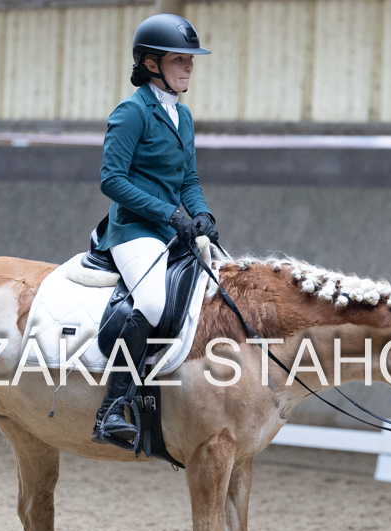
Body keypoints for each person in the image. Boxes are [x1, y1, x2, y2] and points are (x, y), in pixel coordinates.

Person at [91, 13, 218, 444]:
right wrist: (169, 214)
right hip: (133, 231)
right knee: (150, 301)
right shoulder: (131, 113)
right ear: (151, 64)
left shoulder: (183, 116)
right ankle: (112, 408)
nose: (189, 67)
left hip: (171, 230)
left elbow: (189, 180)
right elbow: (112, 180)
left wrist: (201, 215)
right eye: (180, 59)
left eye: (190, 60)